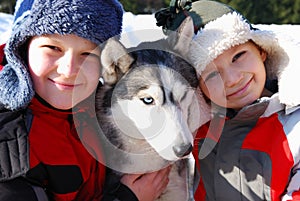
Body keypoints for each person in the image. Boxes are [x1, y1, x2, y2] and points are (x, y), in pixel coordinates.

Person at [0, 0, 170, 200]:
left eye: (87, 53)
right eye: (53, 48)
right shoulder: (9, 138)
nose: (69, 70)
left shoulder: (99, 109)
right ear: (21, 49)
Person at [156, 0, 300, 200]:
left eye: (238, 56)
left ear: (261, 49)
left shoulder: (295, 126)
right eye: (212, 75)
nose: (232, 80)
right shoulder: (195, 125)